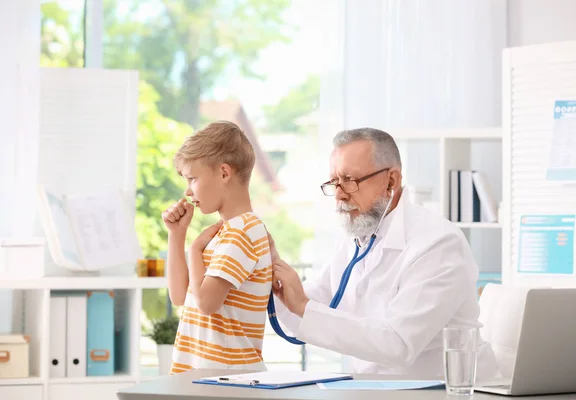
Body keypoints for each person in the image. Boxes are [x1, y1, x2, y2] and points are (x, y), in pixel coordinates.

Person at [269, 127, 497, 379]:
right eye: (334, 182)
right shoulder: (356, 239)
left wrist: (303, 306)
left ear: (391, 181)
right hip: (376, 389)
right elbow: (305, 306)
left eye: (350, 180)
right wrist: (267, 278)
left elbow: (398, 345)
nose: (340, 195)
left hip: (445, 392)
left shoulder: (438, 243)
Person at [162, 121, 272, 373]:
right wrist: (177, 237)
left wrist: (194, 250)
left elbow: (207, 303)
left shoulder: (243, 231)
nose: (188, 191)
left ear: (224, 173)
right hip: (208, 378)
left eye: (192, 178)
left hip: (227, 381)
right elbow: (180, 296)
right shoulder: (226, 232)